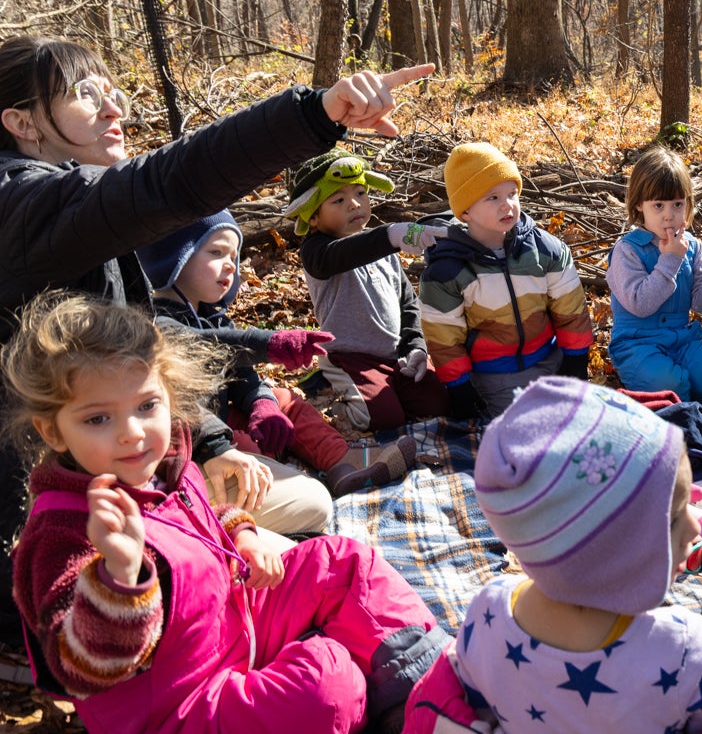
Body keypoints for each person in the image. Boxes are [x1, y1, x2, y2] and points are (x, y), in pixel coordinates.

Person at [0, 33, 432, 641]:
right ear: (21, 121)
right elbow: (169, 184)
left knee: (313, 522)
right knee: (314, 590)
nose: (114, 108)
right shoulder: (22, 207)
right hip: (79, 521)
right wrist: (318, 111)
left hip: (145, 474)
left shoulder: (66, 206)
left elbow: (148, 352)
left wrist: (208, 444)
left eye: (110, 88)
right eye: (83, 93)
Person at [0, 293, 450, 734]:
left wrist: (243, 535)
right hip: (185, 702)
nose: (132, 433)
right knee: (327, 682)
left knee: (344, 562)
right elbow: (82, 670)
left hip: (236, 619)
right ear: (52, 430)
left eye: (146, 406)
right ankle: (380, 700)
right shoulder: (62, 532)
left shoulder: (165, 469)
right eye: (98, 419)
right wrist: (120, 577)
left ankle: (430, 690)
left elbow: (203, 516)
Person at [441, 376, 702, 731]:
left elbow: (473, 695)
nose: (693, 528)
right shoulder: (685, 649)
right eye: (672, 518)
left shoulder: (486, 613)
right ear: (609, 555)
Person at [135, 210, 421, 497]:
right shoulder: (156, 320)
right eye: (216, 252)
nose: (230, 265)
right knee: (245, 447)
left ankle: (343, 462)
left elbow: (241, 372)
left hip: (225, 413)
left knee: (285, 401)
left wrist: (262, 402)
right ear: (176, 258)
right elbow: (206, 344)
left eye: (233, 255)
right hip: (198, 434)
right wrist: (269, 344)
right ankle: (288, 485)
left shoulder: (213, 316)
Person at [419, 142, 594, 419]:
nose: (507, 205)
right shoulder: (448, 270)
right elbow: (444, 337)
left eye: (512, 193)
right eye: (492, 198)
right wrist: (459, 387)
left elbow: (570, 309)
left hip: (549, 360)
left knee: (582, 421)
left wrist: (575, 361)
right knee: (525, 426)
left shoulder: (545, 251)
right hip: (493, 374)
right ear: (465, 211)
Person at [282, 147, 451, 432]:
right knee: (383, 418)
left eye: (361, 193)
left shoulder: (381, 248)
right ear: (312, 216)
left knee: (437, 403)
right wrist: (390, 236)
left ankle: (390, 389)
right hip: (349, 358)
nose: (354, 204)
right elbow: (343, 254)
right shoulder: (316, 251)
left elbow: (407, 302)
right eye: (338, 200)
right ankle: (326, 390)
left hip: (395, 356)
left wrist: (415, 346)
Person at [607, 147, 702, 402]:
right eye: (658, 205)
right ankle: (701, 375)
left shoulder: (691, 246)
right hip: (637, 346)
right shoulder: (627, 251)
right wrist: (670, 260)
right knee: (672, 387)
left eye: (677, 204)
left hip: (682, 341)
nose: (669, 215)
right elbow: (640, 304)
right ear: (639, 206)